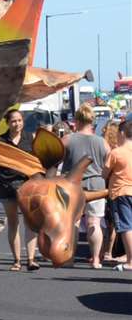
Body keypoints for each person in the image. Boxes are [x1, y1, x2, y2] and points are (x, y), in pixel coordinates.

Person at [61, 104, 110, 267]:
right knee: (94, 222)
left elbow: (54, 158)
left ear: (77, 120)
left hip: (73, 184)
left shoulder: (68, 139)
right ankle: (96, 259)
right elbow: (109, 162)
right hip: (97, 183)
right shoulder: (102, 142)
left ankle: (69, 258)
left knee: (73, 222)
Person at [0, 108, 39, 270]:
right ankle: (17, 260)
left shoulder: (30, 137)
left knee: (30, 223)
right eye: (13, 121)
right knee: (13, 223)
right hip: (7, 187)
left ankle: (31, 259)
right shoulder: (1, 140)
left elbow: (37, 161)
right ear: (7, 123)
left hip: (27, 186)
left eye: (19, 120)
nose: (17, 124)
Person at [105, 119, 132, 272]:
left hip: (121, 192)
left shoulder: (116, 152)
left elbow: (105, 173)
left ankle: (130, 260)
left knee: (127, 227)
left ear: (122, 133)